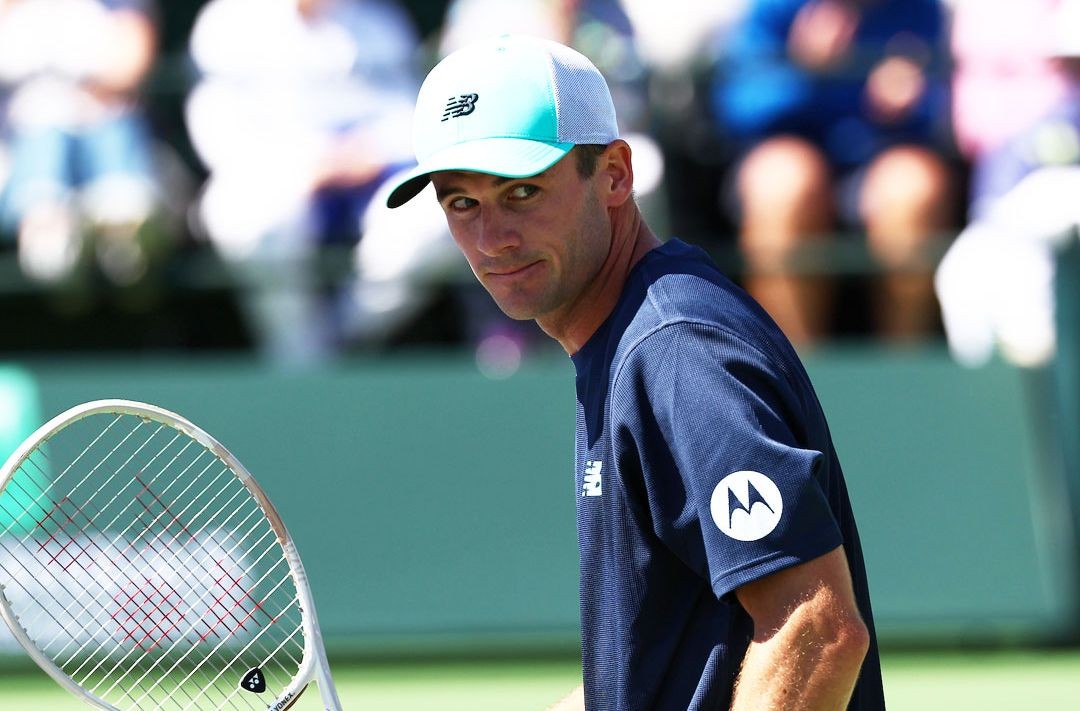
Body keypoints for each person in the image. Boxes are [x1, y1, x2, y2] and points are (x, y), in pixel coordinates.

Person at [385, 35, 883, 710]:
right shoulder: (630, 335)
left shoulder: (677, 351)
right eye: (461, 203)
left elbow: (817, 628)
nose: (491, 239)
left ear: (616, 174)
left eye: (522, 191)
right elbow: (644, 675)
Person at [711, 0, 954, 346]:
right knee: (783, 182)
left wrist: (910, 102)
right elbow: (738, 107)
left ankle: (906, 367)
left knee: (913, 186)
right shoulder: (773, 8)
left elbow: (945, 108)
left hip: (883, 157)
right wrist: (804, 73)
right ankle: (790, 371)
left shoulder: (920, 9)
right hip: (789, 156)